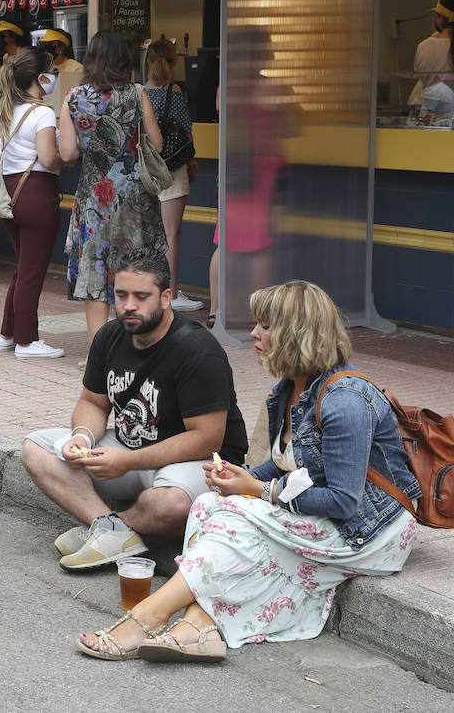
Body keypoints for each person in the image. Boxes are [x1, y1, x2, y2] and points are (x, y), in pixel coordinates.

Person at [73, 280, 418, 662]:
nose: (254, 334)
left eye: (266, 327)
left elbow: (343, 501)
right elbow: (291, 462)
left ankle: (147, 615)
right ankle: (197, 626)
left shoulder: (345, 401)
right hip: (328, 513)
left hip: (369, 531)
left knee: (236, 518)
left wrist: (257, 489)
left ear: (296, 334)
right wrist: (238, 477)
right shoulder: (290, 388)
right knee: (209, 505)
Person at [20, 255, 246, 573]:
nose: (129, 305)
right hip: (130, 452)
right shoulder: (109, 336)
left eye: (141, 297)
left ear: (166, 298)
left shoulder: (197, 350)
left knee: (172, 505)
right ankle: (114, 532)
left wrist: (127, 461)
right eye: (121, 295)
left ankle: (110, 528)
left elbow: (206, 438)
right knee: (36, 448)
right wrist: (81, 437)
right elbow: (93, 403)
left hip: (197, 463)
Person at [58, 31, 167, 365]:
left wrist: (88, 143)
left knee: (95, 272)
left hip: (94, 201)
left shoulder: (73, 98)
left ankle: (98, 357)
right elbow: (158, 145)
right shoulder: (138, 94)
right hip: (134, 199)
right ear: (124, 59)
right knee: (136, 270)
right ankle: (139, 348)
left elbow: (66, 154)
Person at [0, 47, 66, 359]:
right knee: (32, 271)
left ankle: (8, 334)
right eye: (52, 71)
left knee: (23, 267)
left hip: (7, 194)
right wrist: (67, 157)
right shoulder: (43, 113)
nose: (55, 76)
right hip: (36, 192)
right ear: (40, 78)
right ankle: (27, 341)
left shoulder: (6, 112)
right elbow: (49, 158)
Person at [143, 39, 203, 313]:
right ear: (174, 61)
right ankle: (172, 292)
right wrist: (191, 160)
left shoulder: (140, 92)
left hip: (144, 168)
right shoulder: (174, 91)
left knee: (147, 233)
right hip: (172, 169)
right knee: (170, 235)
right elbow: (186, 132)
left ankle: (147, 288)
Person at [40, 28, 86, 110]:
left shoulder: (76, 68)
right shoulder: (43, 66)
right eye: (45, 45)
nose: (47, 48)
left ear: (61, 48)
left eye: (50, 45)